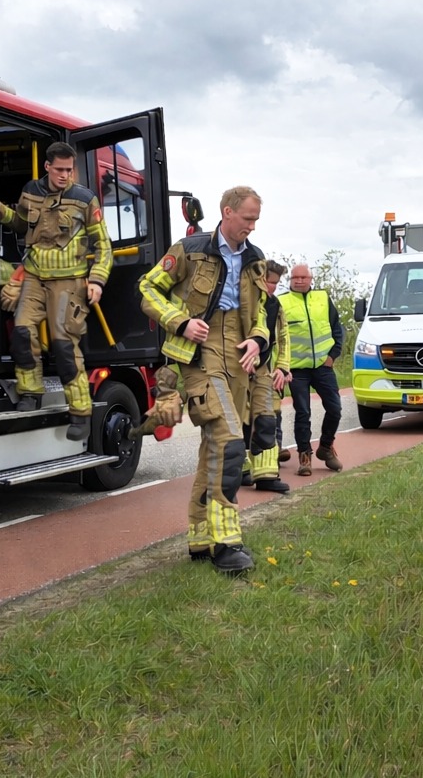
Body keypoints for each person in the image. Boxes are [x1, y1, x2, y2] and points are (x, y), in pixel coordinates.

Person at [138, 185, 271, 576]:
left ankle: (199, 538)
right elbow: (147, 288)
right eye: (247, 218)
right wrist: (180, 322)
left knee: (215, 447)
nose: (252, 226)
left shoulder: (255, 259)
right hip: (198, 354)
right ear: (226, 212)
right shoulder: (189, 249)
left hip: (239, 357)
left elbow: (263, 309)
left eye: (256, 220)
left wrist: (258, 339)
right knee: (231, 443)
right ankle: (226, 542)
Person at [0, 142, 113, 441]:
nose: (65, 175)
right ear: (47, 167)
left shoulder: (85, 199)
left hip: (70, 281)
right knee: (22, 332)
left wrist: (97, 281)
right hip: (35, 276)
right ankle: (30, 393)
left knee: (63, 347)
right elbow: (21, 224)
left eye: (69, 170)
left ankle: (81, 413)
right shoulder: (30, 191)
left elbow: (104, 247)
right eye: (60, 169)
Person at [286, 263, 345, 475]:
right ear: (290, 280)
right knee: (303, 412)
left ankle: (326, 447)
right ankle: (304, 455)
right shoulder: (282, 302)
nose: (300, 281)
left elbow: (337, 328)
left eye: (304, 277)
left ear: (311, 279)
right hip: (297, 370)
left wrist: (333, 356)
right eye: (296, 278)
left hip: (323, 367)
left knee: (335, 409)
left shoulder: (322, 299)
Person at [241, 261, 291, 493]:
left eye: (276, 283)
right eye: (270, 282)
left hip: (262, 370)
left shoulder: (275, 305)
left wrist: (282, 367)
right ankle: (239, 471)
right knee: (238, 421)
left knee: (266, 420)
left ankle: (266, 477)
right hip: (236, 368)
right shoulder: (241, 300)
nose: (272, 287)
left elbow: (283, 336)